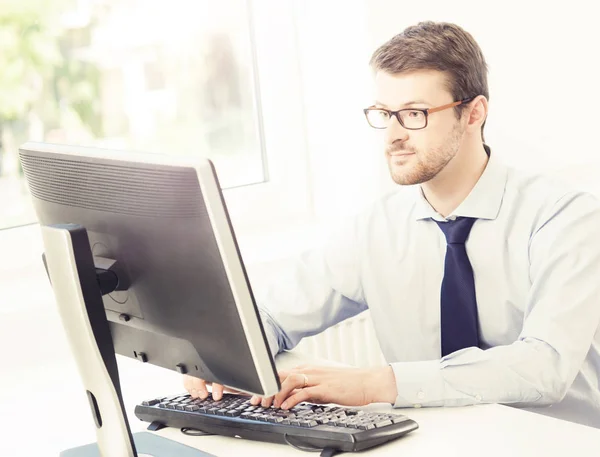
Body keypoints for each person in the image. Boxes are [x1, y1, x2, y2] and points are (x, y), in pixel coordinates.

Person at [183, 21, 600, 428]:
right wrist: (220, 357)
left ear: (474, 113)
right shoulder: (376, 228)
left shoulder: (565, 218)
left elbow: (545, 365)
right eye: (385, 114)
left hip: (557, 440)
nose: (392, 137)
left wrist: (375, 383)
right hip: (432, 442)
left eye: (414, 113)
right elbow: (271, 315)